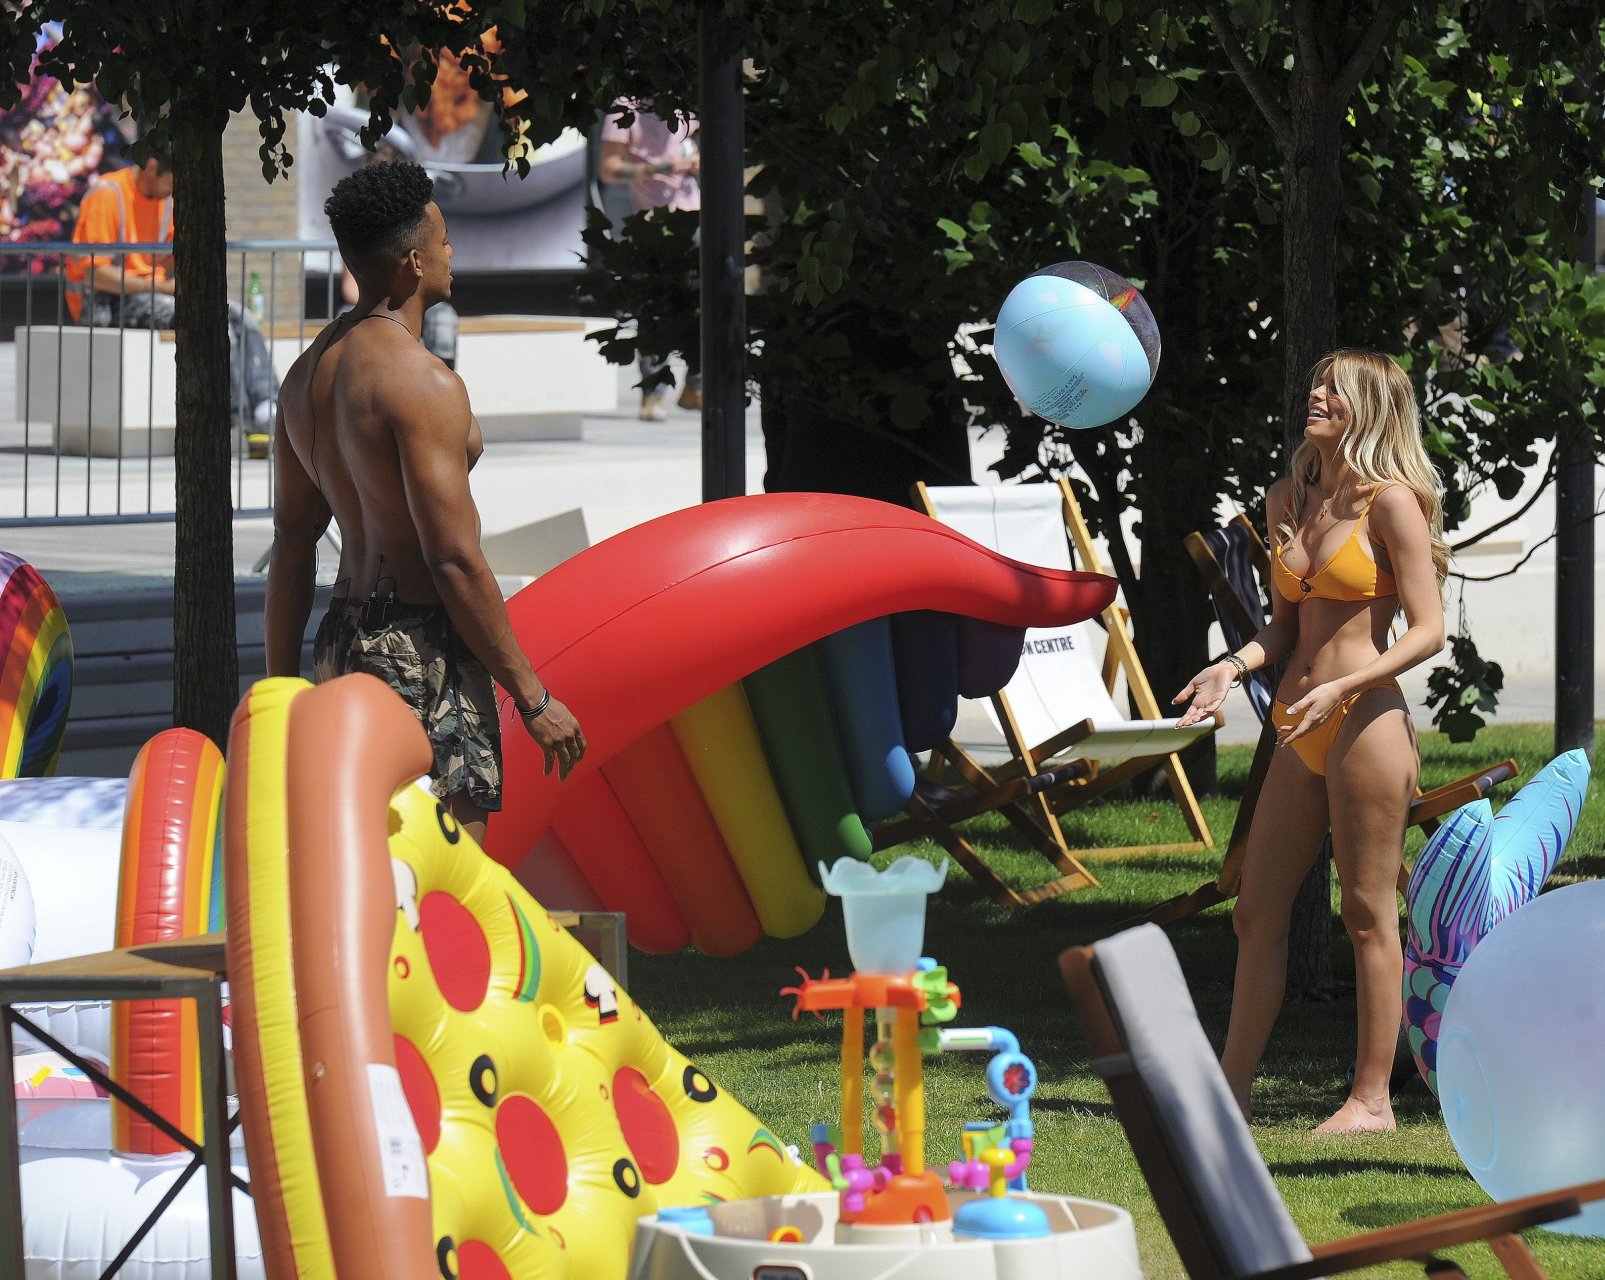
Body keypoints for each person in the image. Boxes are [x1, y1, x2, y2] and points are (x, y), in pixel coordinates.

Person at [263, 159, 584, 844]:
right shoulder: (421, 383)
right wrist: (534, 699)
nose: (451, 252)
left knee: (362, 862)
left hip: (341, 638)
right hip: (420, 645)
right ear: (413, 263)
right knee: (447, 874)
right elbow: (453, 559)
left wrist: (278, 693)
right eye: (442, 241)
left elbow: (291, 548)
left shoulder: (306, 376)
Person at [1173, 349, 1449, 1134]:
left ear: (1371, 407)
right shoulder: (1287, 498)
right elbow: (1285, 627)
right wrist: (1231, 666)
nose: (1315, 394)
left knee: (1365, 911)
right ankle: (1228, 1094)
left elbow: (1427, 630)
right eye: (1315, 383)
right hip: (1296, 722)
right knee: (1254, 913)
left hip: (1365, 721)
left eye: (1335, 388)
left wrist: (1345, 684)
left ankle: (1371, 1100)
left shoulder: (1391, 503)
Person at [65, 152, 280, 457]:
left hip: (150, 293)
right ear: (151, 166)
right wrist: (159, 285)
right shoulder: (108, 194)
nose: (173, 190)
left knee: (241, 316)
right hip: (106, 302)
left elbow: (173, 256)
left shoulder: (166, 201)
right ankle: (240, 416)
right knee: (211, 322)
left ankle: (266, 404)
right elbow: (94, 272)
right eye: (172, 181)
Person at [599, 104, 702, 420]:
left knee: (703, 304)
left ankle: (695, 385)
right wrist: (662, 168)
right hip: (651, 222)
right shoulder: (626, 108)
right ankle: (654, 393)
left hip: (695, 217)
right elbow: (609, 168)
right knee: (654, 309)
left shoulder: (687, 102)